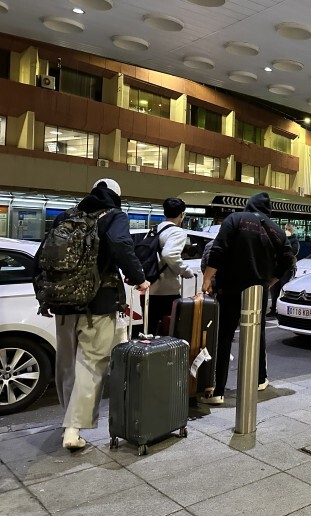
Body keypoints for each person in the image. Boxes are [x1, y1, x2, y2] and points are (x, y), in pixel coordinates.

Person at [34, 178, 149, 449]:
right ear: (116, 196)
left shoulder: (66, 216)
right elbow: (120, 244)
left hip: (63, 304)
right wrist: (138, 277)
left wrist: (44, 296)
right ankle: (73, 428)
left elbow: (41, 258)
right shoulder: (114, 216)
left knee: (66, 363)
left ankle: (67, 420)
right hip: (98, 303)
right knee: (91, 364)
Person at [199, 193, 295, 405]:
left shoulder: (235, 219)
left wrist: (207, 278)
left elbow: (219, 248)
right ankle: (259, 380)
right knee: (256, 334)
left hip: (230, 287)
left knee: (224, 336)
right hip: (258, 291)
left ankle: (217, 391)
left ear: (248, 205)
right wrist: (269, 282)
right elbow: (288, 260)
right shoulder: (277, 230)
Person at [139, 197, 195, 336]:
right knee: (171, 333)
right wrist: (186, 271)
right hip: (167, 292)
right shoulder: (177, 232)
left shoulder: (154, 230)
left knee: (149, 333)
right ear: (182, 214)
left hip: (150, 290)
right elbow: (169, 254)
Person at [268, 223, 300, 318]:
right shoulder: (280, 238)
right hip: (277, 266)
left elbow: (293, 252)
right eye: (285, 228)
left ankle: (281, 311)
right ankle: (273, 309)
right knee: (274, 290)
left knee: (283, 288)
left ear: (292, 230)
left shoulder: (294, 241)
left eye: (289, 229)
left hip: (287, 268)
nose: (286, 230)